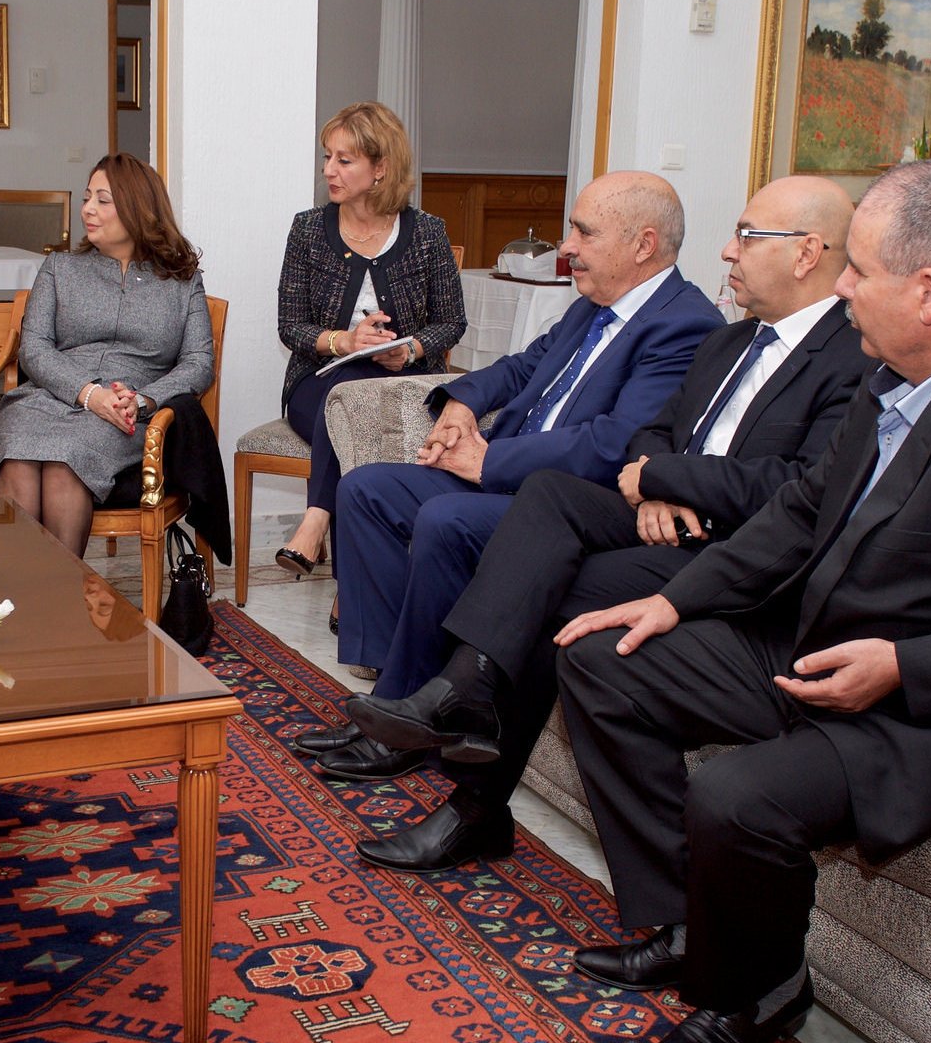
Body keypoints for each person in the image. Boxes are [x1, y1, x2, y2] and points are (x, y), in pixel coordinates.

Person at [548, 159, 931, 1043]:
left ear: (927, 293)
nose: (838, 288)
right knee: (606, 656)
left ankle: (760, 990)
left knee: (735, 795)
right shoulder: (894, 371)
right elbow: (802, 509)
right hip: (812, 649)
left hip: (912, 714)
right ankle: (683, 921)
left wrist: (907, 665)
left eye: (856, 271)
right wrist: (677, 597)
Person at [341, 176, 869, 869]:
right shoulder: (734, 339)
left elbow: (792, 487)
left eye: (746, 236)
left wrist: (658, 477)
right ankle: (458, 698)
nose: (726, 251)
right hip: (661, 522)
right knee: (551, 500)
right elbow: (653, 429)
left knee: (549, 588)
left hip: (739, 554)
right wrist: (650, 479)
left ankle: (471, 777)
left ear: (806, 253)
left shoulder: (852, 359)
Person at [316, 171, 720, 782]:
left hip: (561, 500)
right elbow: (520, 366)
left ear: (642, 244)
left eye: (583, 232)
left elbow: (614, 444)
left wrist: (489, 463)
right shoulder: (592, 306)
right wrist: (460, 402)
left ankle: (401, 727)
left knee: (444, 518)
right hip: (505, 470)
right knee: (365, 490)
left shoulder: (684, 325)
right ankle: (394, 693)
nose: (567, 247)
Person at [0, 153, 214, 555]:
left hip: (125, 409)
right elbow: (34, 348)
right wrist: (87, 393)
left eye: (103, 200)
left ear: (138, 208)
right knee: (15, 453)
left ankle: (62, 606)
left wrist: (140, 399)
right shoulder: (60, 268)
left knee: (67, 461)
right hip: (47, 397)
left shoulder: (182, 281)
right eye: (88, 198)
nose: (87, 209)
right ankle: (20, 604)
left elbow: (198, 362)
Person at [272, 102, 466, 584]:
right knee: (351, 399)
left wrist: (411, 349)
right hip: (318, 385)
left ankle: (316, 524)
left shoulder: (426, 233)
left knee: (361, 406)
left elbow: (451, 322)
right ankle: (352, 583)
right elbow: (290, 325)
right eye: (327, 157)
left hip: (406, 384)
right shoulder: (308, 230)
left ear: (380, 169)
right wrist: (344, 341)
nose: (328, 171)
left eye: (344, 160)